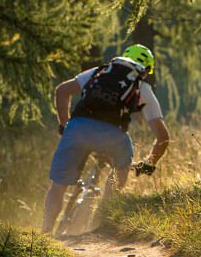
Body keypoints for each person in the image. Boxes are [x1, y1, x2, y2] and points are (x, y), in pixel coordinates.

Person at [42, 44, 170, 234]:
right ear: (146, 69)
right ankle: (103, 221)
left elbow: (62, 90)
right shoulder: (142, 88)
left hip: (77, 128)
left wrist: (65, 125)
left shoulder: (99, 72)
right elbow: (163, 137)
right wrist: (150, 163)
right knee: (121, 167)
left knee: (58, 186)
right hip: (113, 136)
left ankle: (45, 233)